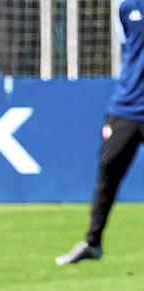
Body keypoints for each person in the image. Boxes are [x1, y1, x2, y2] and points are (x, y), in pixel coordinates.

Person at [56, 0, 144, 265]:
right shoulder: (127, 7)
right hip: (126, 106)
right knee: (108, 169)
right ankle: (92, 242)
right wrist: (111, 113)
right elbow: (130, 53)